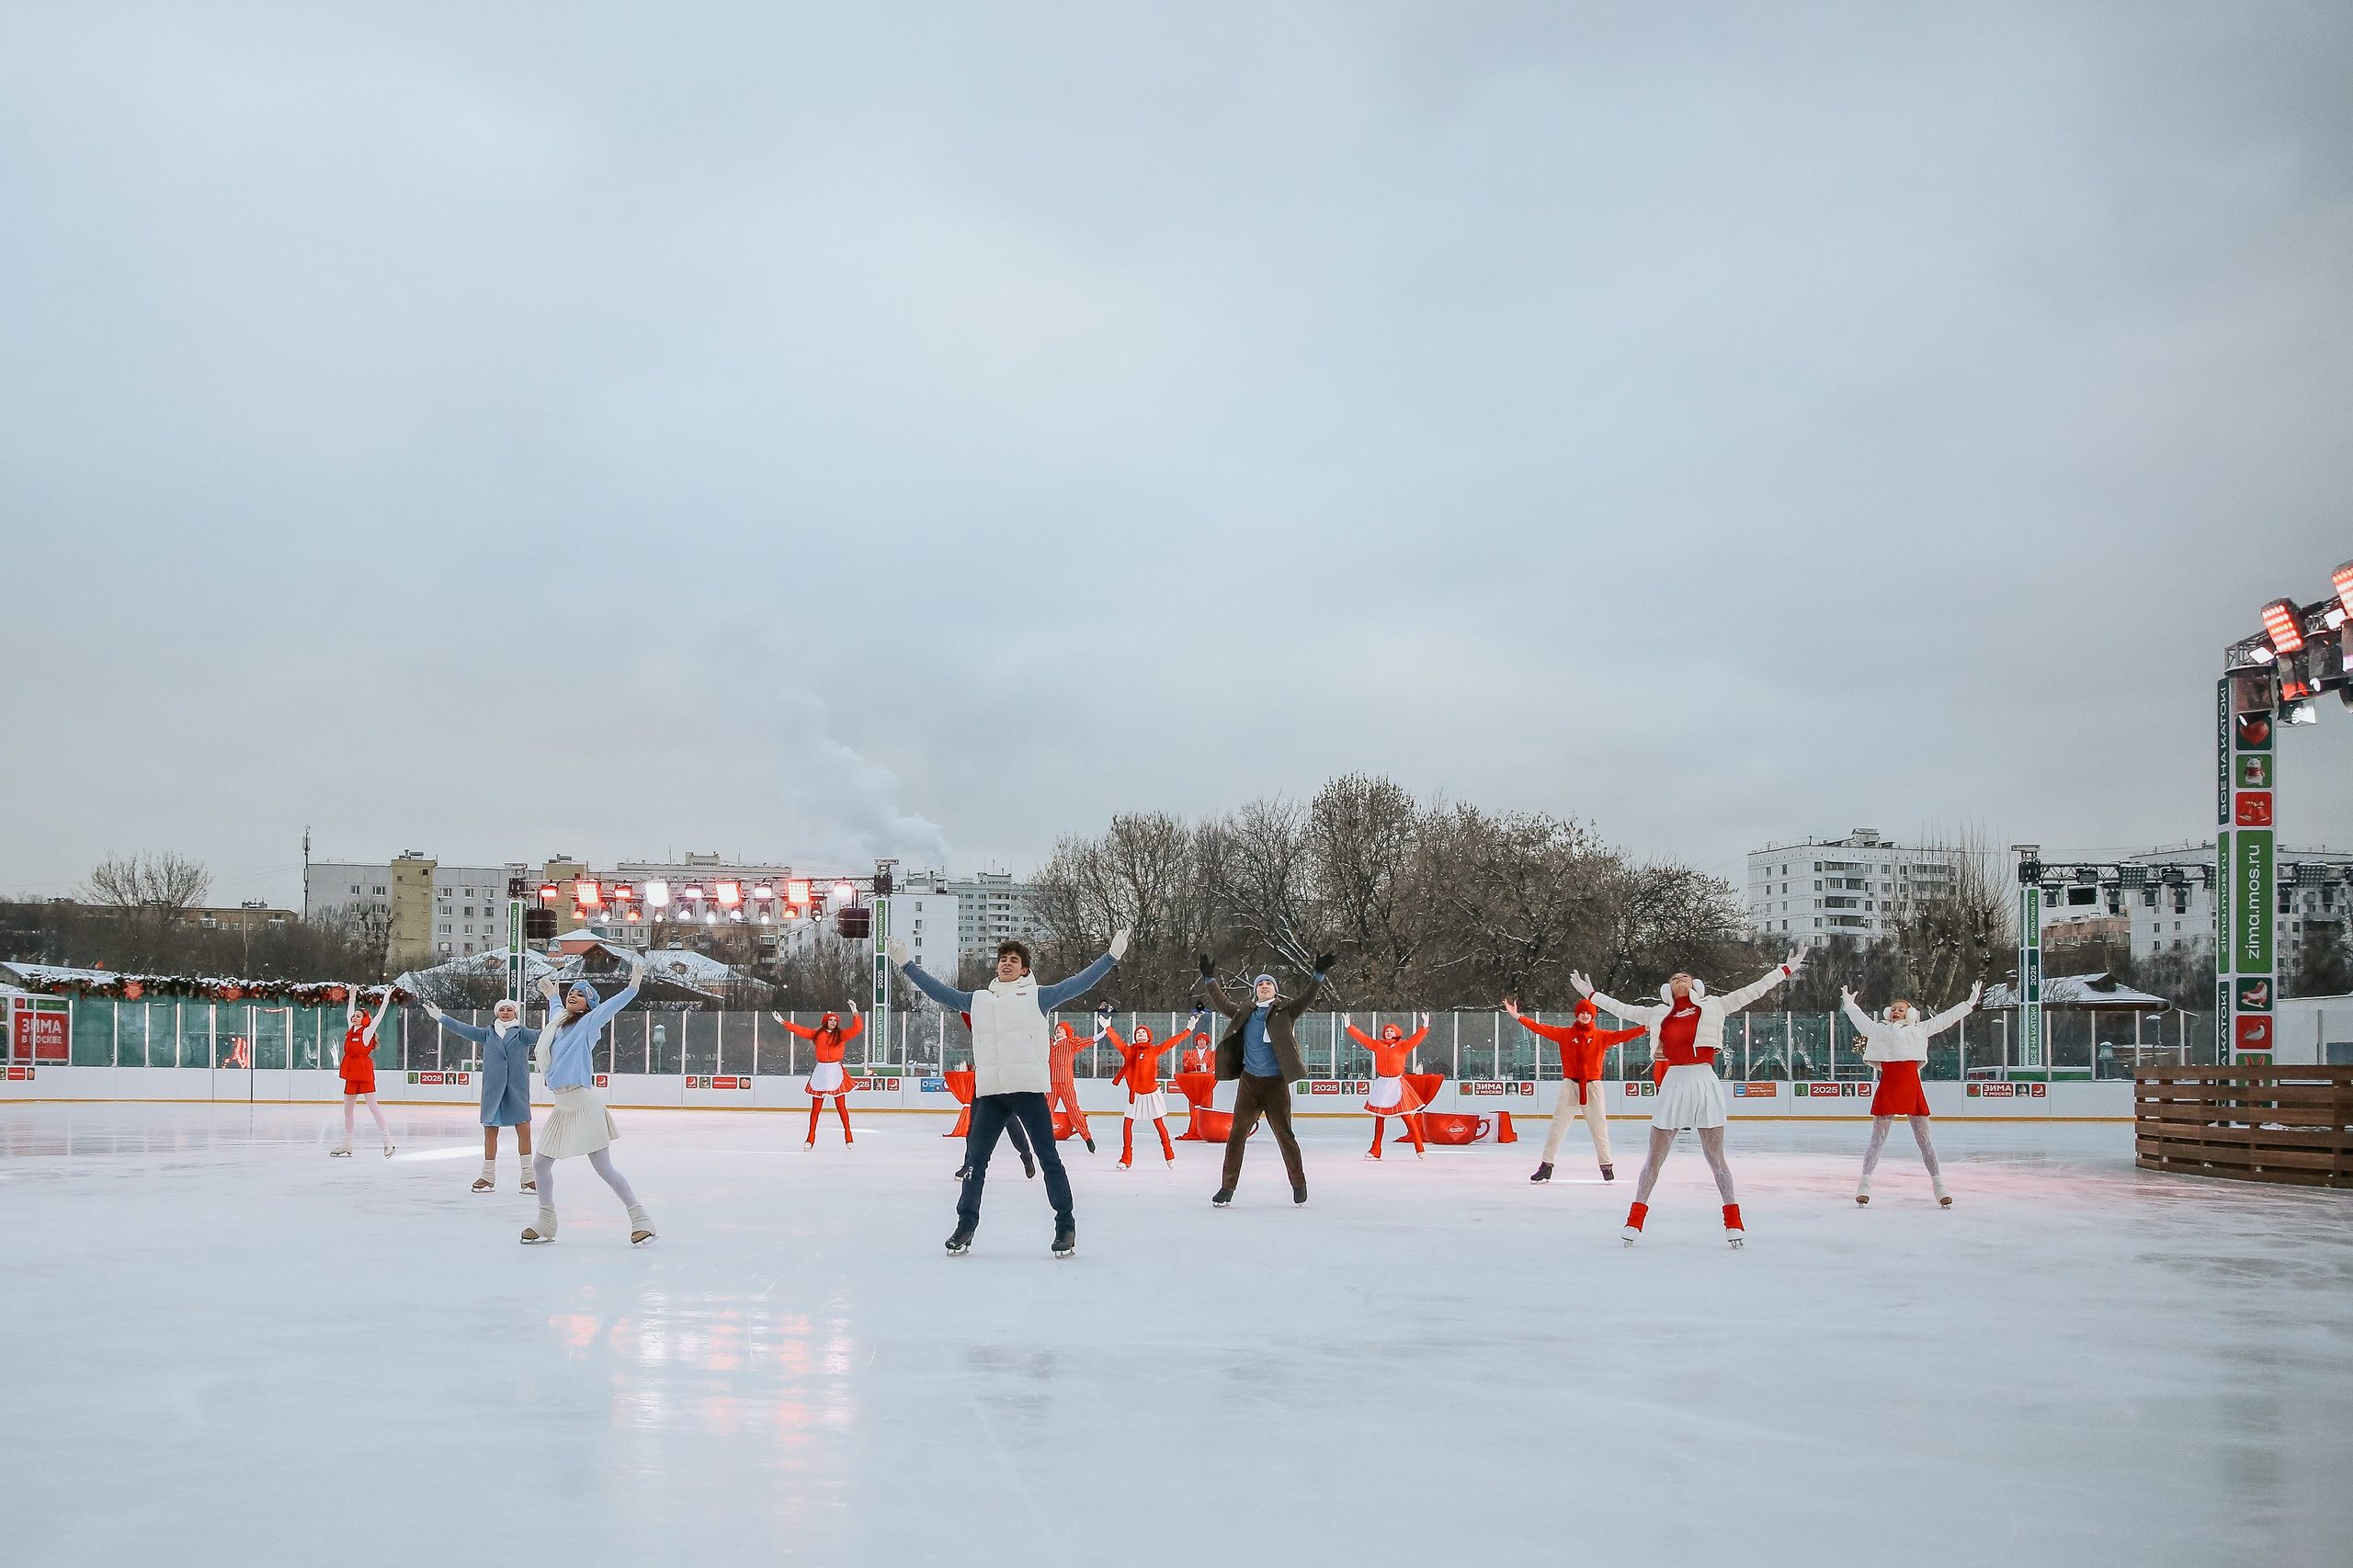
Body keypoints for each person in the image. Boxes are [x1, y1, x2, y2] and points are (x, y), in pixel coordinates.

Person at [892, 931, 1130, 1258]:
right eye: (1003, 959)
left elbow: (1078, 983)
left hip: (1028, 1090)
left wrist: (1111, 958)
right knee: (975, 1162)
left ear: (1024, 970)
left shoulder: (1038, 996)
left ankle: (1065, 1226)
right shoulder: (979, 1000)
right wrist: (906, 964)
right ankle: (965, 1226)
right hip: (991, 1093)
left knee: (1049, 1159)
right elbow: (940, 992)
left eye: (1014, 960)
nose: (1007, 963)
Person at [1577, 950, 1804, 1247]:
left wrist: (1785, 970)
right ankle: (1634, 1220)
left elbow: (1754, 990)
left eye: (1684, 976)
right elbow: (1623, 1009)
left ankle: (1733, 1222)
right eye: (1674, 978)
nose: (1679, 978)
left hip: (1704, 1080)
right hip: (1674, 1081)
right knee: (1654, 1159)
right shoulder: (1658, 1013)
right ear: (1668, 989)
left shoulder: (1715, 1005)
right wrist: (1592, 995)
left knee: (1716, 1158)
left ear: (1695, 984)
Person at [522, 955, 655, 1247]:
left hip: (583, 1105)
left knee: (604, 1169)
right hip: (562, 1107)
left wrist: (632, 987)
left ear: (589, 1004)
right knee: (541, 1164)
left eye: (580, 994)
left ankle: (641, 1219)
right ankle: (546, 1221)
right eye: (572, 992)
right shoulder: (559, 1025)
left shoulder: (587, 1024)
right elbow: (556, 1010)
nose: (573, 995)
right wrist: (552, 996)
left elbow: (610, 1007)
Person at [1196, 954, 1335, 1207]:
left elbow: (1307, 998)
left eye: (1268, 983)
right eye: (1260, 984)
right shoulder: (1245, 1011)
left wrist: (1318, 974)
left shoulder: (1286, 1010)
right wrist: (1209, 978)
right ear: (1255, 991)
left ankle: (1298, 1183)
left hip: (1275, 1084)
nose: (1264, 986)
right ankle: (1227, 1187)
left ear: (1275, 990)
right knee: (1236, 1135)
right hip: (1249, 1084)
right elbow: (1222, 1002)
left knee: (1284, 1135)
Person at [1841, 983, 1980, 1208]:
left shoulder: (1919, 1030)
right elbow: (1861, 1021)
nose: (1896, 1011)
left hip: (1912, 1089)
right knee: (1876, 1141)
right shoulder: (1879, 1030)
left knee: (1925, 1142)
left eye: (1901, 1009)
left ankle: (1940, 1187)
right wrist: (1849, 1004)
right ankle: (1864, 1186)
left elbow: (1945, 1019)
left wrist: (1968, 1004)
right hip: (1888, 1089)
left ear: (1910, 1013)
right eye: (1893, 1009)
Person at [1505, 996, 1647, 1182]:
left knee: (1599, 1128)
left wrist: (1645, 1028)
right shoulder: (1565, 1034)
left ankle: (1606, 1166)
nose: (1585, 1016)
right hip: (1570, 1086)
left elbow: (1623, 1036)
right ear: (1577, 1014)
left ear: (1593, 1016)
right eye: (1582, 1012)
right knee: (1557, 1127)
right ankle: (1546, 1165)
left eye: (1588, 1013)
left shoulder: (1601, 1036)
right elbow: (1541, 1029)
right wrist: (1518, 1016)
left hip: (1593, 1086)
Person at [424, 995, 540, 1193]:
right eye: (502, 1009)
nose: (505, 1013)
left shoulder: (523, 1034)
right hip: (492, 1090)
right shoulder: (487, 1034)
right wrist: (442, 1018)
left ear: (515, 1013)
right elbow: (463, 1029)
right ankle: (487, 1176)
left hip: (517, 1089)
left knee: (524, 1131)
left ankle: (528, 1177)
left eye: (509, 1009)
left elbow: (545, 1035)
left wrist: (565, 1020)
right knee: (490, 1132)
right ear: (496, 1013)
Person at [1107, 1010, 1207, 1170]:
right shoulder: (1129, 1051)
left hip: (1151, 1093)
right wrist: (1108, 1028)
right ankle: (1126, 1157)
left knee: (1159, 1124)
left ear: (1149, 1037)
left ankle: (1169, 1153)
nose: (1140, 1034)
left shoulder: (1154, 1050)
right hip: (1135, 1094)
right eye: (1138, 1032)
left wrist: (1188, 1030)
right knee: (1127, 1125)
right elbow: (1117, 1041)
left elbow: (1172, 1042)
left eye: (1143, 1032)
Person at [772, 1003, 865, 1150]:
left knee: (841, 1107)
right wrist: (784, 1022)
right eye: (830, 1020)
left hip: (835, 1071)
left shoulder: (841, 1035)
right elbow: (800, 1030)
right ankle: (810, 1138)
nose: (833, 1022)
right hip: (821, 1071)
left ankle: (848, 1135)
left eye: (835, 1020)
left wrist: (855, 1012)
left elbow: (857, 1029)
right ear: (825, 1022)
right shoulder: (817, 1034)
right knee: (816, 1109)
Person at [1343, 1014, 1432, 1160]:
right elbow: (1363, 1039)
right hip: (1383, 1083)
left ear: (1397, 1033)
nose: (1389, 1033)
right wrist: (1349, 1027)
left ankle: (1419, 1147)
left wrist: (1425, 1026)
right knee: (1380, 1118)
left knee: (1407, 1117)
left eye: (1391, 1031)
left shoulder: (1403, 1046)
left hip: (1396, 1083)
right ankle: (1375, 1149)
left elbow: (1416, 1039)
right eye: (1387, 1031)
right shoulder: (1378, 1045)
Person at [330, 989, 396, 1158]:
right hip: (351, 1073)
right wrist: (352, 997)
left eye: (358, 1016)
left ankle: (388, 1141)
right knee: (348, 1109)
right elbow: (348, 1014)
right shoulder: (351, 1031)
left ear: (365, 1020)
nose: (354, 1017)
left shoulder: (367, 1033)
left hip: (364, 1073)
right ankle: (347, 1143)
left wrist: (386, 1000)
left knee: (373, 1107)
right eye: (354, 1016)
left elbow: (379, 1017)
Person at [1048, 1016, 1099, 1153]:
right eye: (1057, 1028)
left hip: (1065, 1081)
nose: (1058, 1030)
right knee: (1046, 1111)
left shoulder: (1071, 1042)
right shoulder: (1050, 1043)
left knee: (1073, 1109)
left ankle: (1087, 1137)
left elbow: (1085, 1042)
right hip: (1051, 1082)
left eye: (1061, 1028)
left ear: (1067, 1031)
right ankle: (1042, 1141)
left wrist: (1101, 1034)